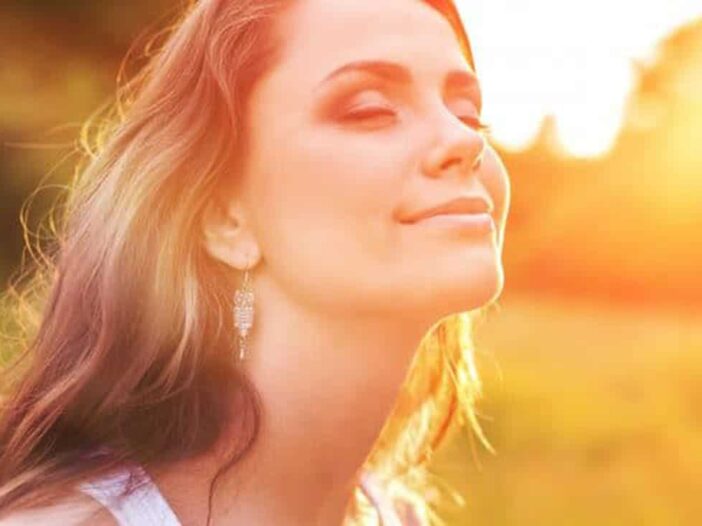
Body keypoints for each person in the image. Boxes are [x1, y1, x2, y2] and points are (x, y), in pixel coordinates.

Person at [0, 0, 510, 524]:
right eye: (370, 109)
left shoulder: (396, 516)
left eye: (468, 112)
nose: (464, 139)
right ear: (224, 218)